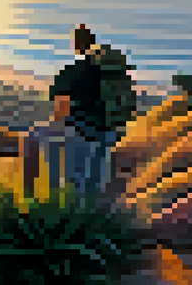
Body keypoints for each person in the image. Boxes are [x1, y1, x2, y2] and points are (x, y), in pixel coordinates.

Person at [21, 24, 137, 201]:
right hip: (109, 132)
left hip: (81, 131)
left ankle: (30, 196)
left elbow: (60, 112)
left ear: (75, 45)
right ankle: (92, 218)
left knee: (32, 138)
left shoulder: (71, 71)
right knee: (95, 183)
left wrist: (58, 130)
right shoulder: (112, 72)